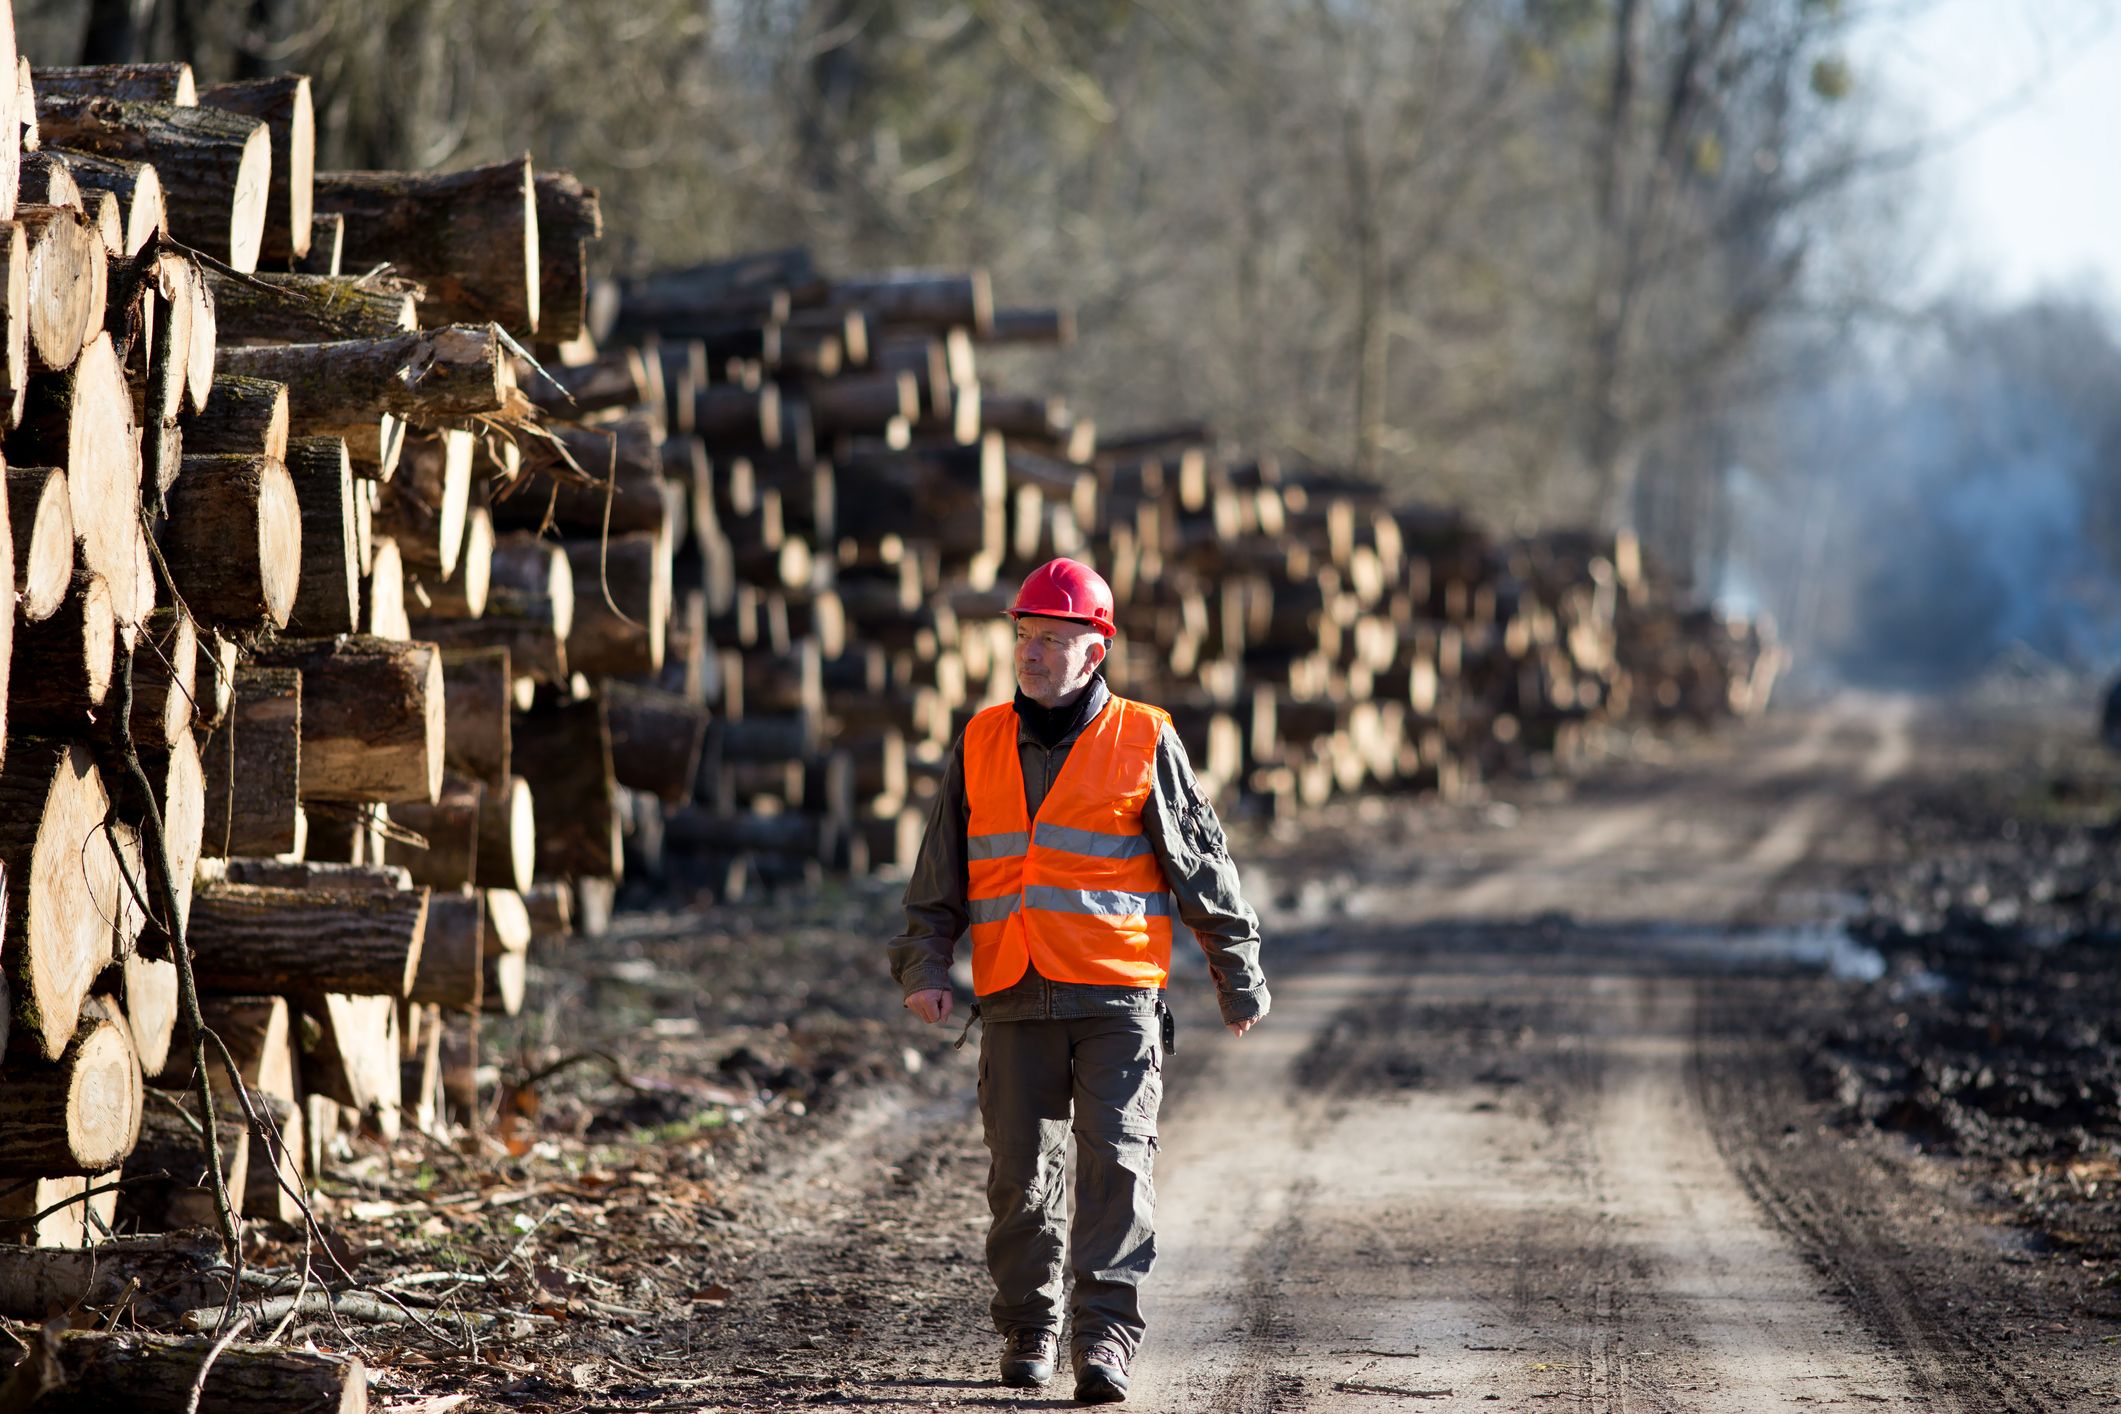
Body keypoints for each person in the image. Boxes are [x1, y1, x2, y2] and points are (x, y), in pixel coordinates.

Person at [891, 557, 1271, 1405]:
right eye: (1026, 636)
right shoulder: (981, 738)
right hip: (1015, 996)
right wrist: (925, 964)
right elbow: (937, 874)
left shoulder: (1144, 737)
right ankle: (1029, 1331)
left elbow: (1199, 863)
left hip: (1116, 999)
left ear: (1093, 652)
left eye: (1056, 640)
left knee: (1117, 1169)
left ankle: (1102, 1341)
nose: (1034, 654)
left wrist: (1235, 970)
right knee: (1018, 1180)